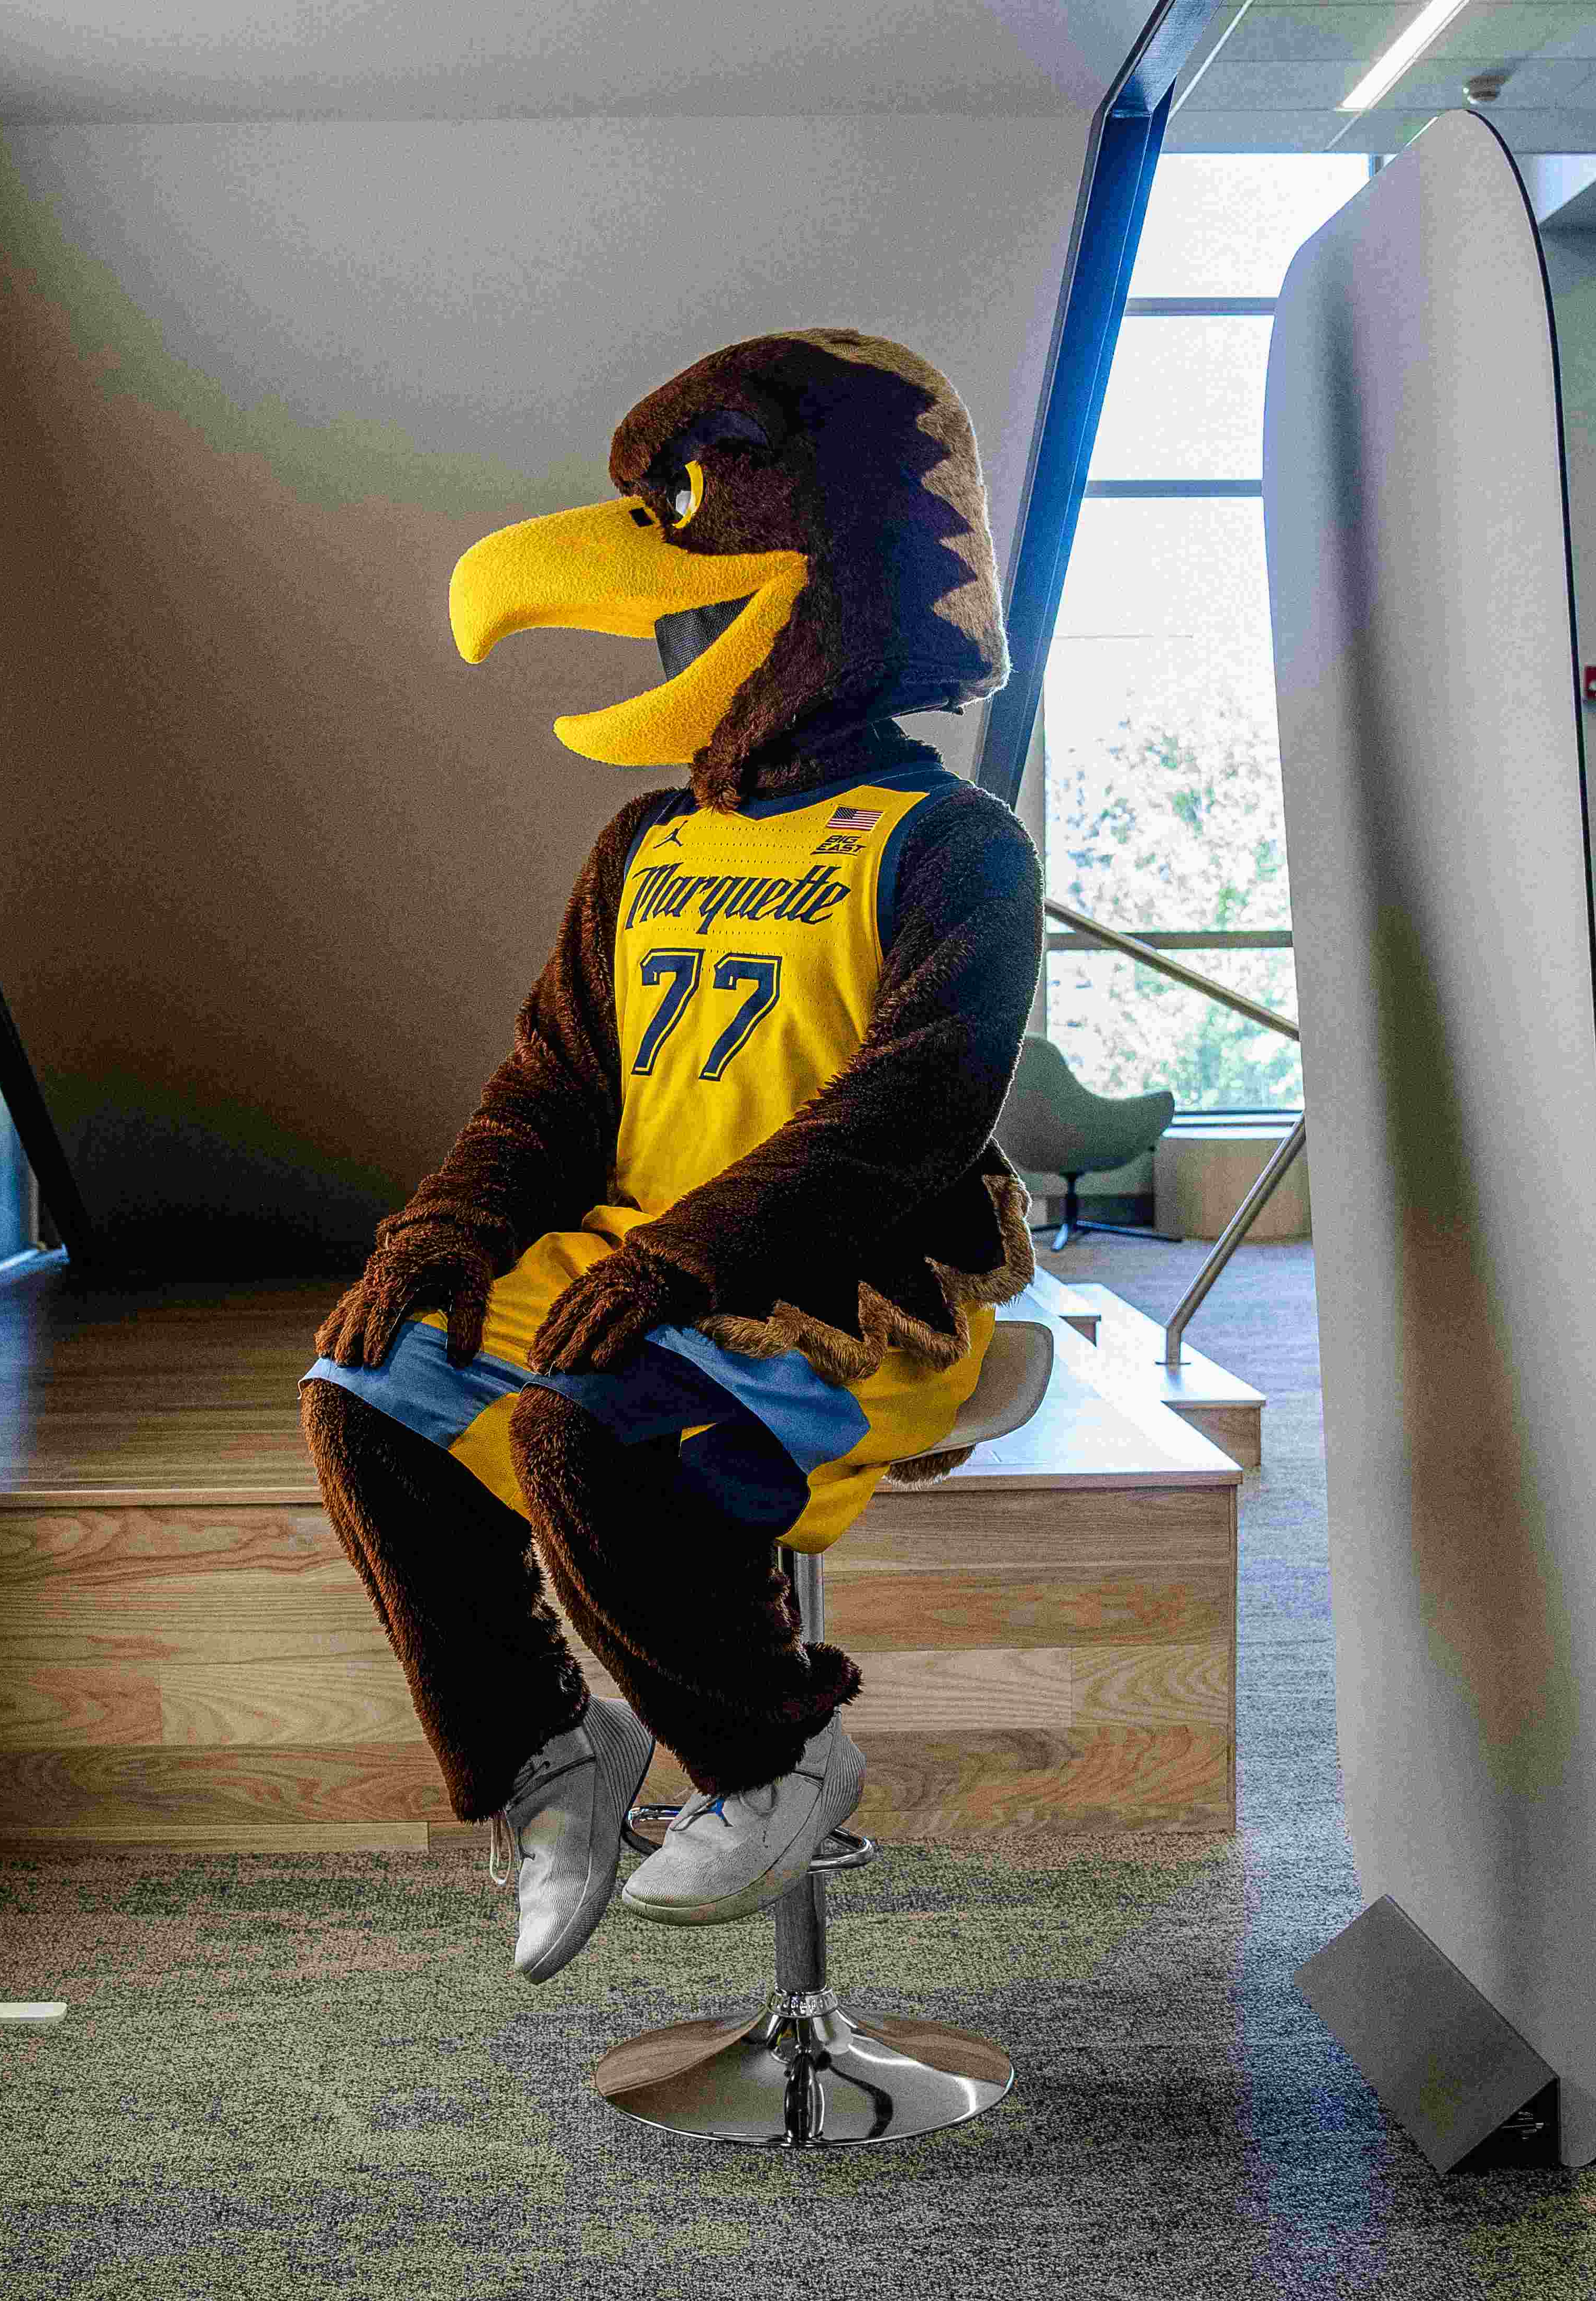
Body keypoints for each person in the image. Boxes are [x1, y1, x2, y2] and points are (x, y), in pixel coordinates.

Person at [301, 331, 1042, 1982]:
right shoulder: (641, 843)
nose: (658, 560)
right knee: (364, 1390)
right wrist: (439, 1232)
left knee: (584, 1438)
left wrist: (681, 1261)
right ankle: (546, 1754)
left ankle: (774, 1750)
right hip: (638, 1264)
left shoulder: (952, 847)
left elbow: (901, 1120)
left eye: (692, 505)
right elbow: (550, 1091)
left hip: (845, 1293)